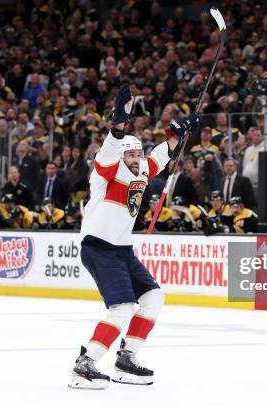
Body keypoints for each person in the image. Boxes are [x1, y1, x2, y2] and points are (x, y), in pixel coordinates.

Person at [71, 84, 198, 389]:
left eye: (136, 153)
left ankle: (126, 358)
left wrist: (178, 134)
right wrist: (117, 126)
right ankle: (84, 365)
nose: (134, 158)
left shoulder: (141, 170)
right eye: (129, 153)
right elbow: (108, 150)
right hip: (99, 246)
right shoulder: (105, 173)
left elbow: (160, 155)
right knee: (123, 307)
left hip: (122, 250)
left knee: (153, 297)